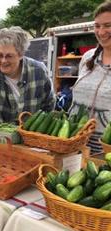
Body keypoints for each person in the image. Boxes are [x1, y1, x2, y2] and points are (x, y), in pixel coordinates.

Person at [71, 0, 111, 154]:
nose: (101, 32)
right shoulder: (88, 57)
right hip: (74, 143)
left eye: (107, 25)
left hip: (105, 151)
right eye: (97, 26)